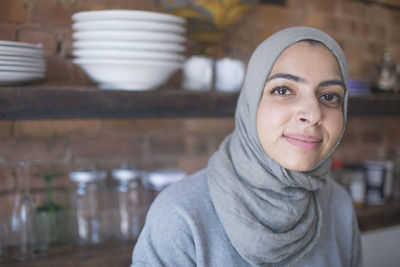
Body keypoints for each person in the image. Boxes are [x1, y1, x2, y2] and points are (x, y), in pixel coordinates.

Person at [131, 26, 362, 266]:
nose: (313, 114)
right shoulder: (181, 215)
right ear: (250, 102)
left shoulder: (338, 205)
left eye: (329, 96)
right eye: (283, 90)